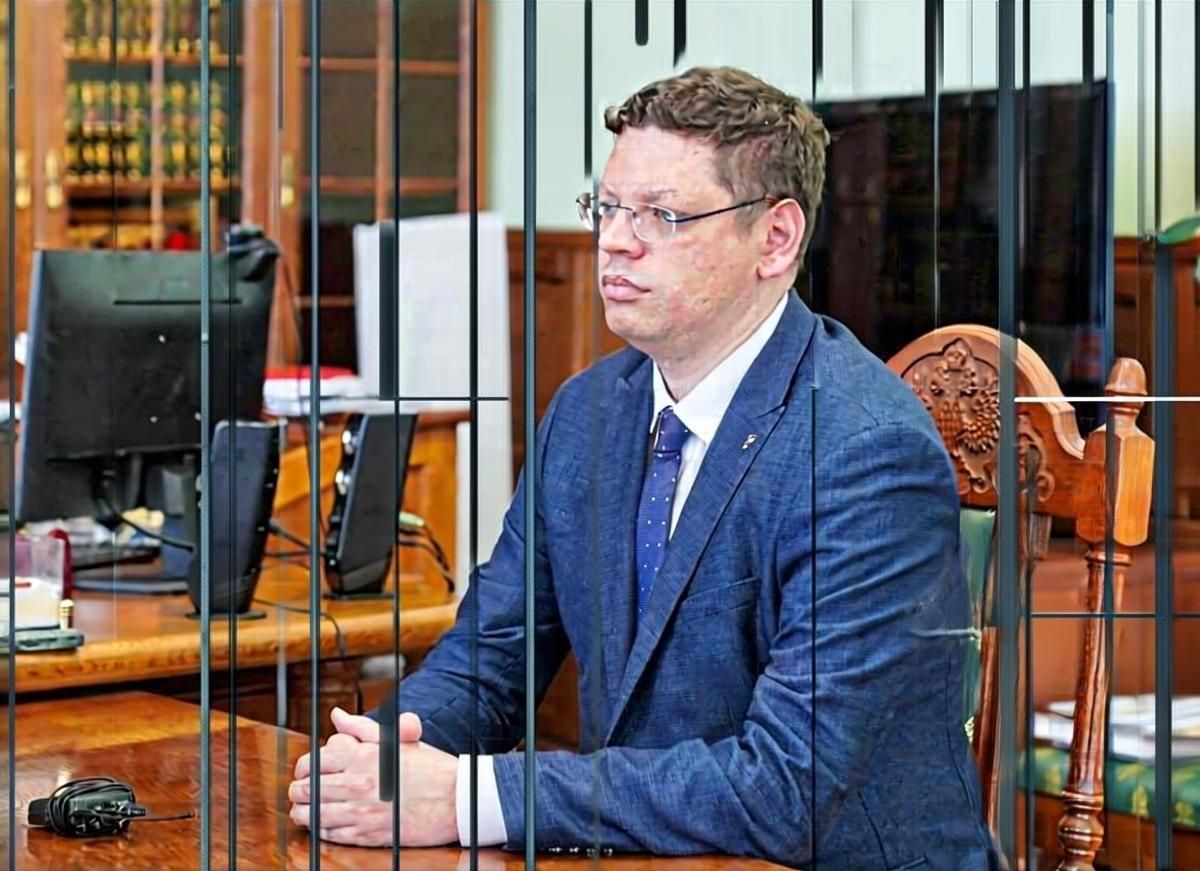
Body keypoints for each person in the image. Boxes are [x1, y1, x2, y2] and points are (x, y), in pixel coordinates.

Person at [288, 65, 994, 869]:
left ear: (775, 239)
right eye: (609, 207)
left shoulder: (864, 450)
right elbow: (490, 657)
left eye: (663, 214)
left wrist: (467, 796)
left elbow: (787, 787)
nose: (617, 240)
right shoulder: (588, 412)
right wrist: (379, 758)